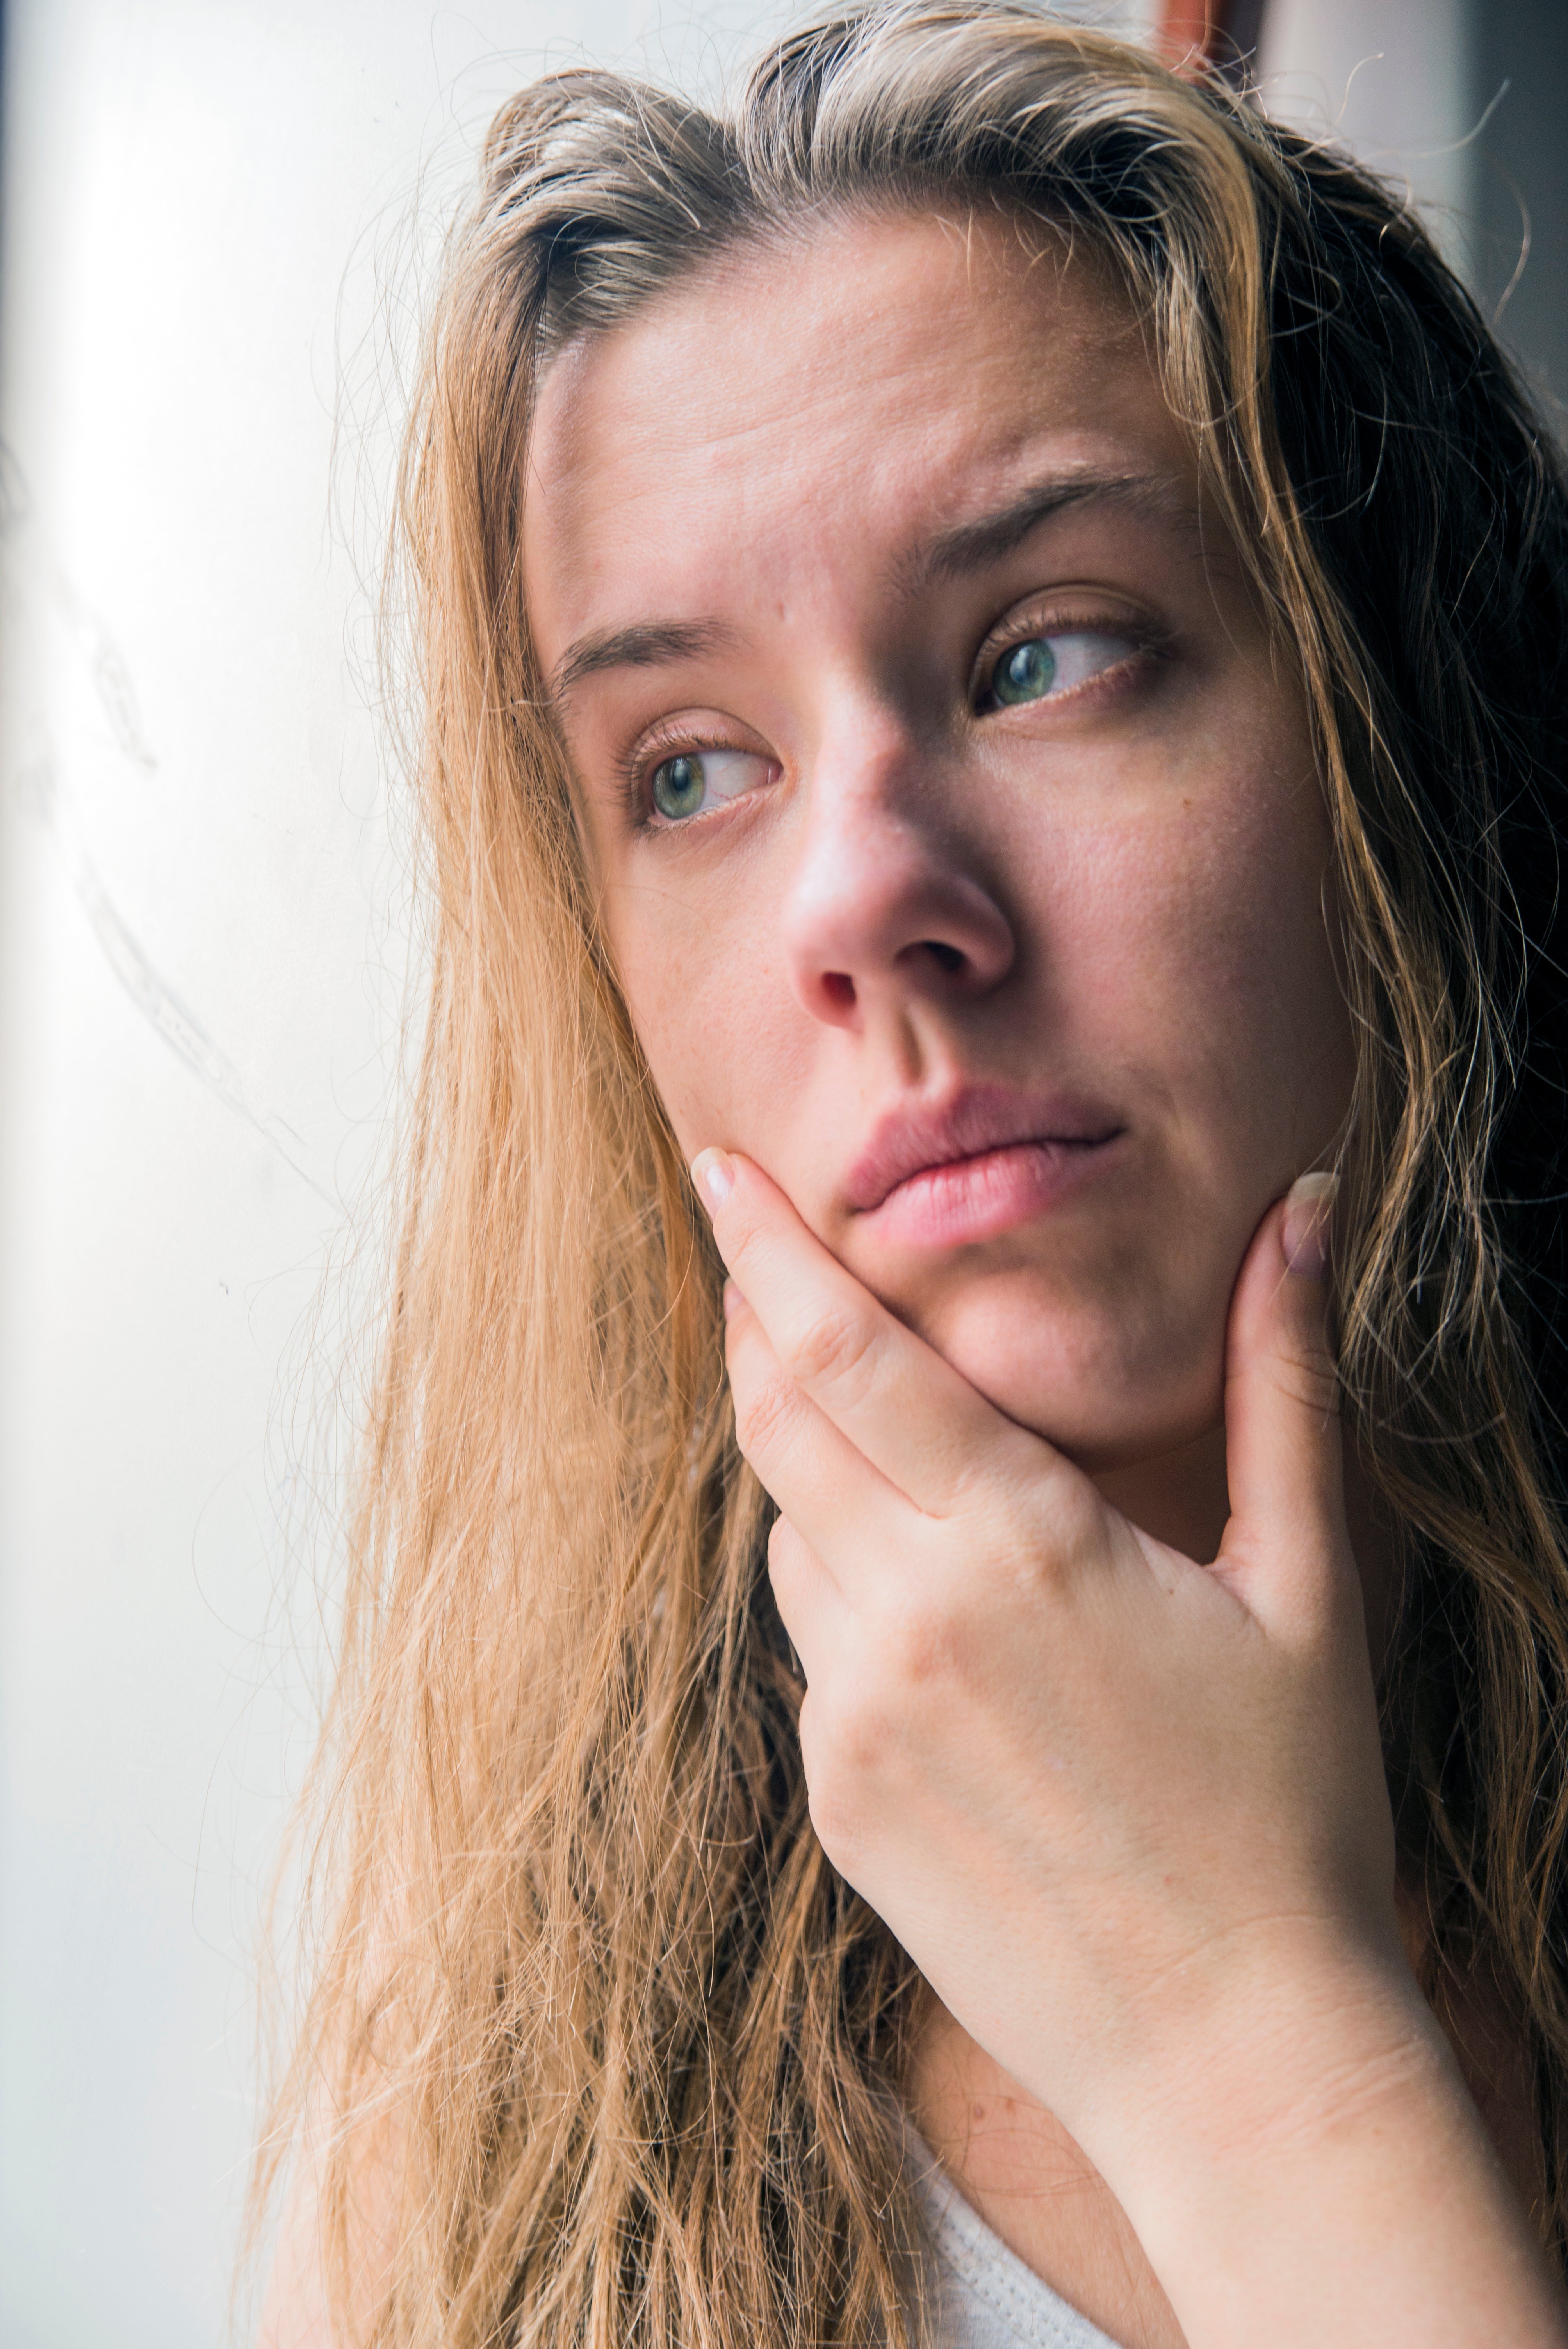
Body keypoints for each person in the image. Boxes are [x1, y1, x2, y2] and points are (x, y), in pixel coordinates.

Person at [253, 5, 1568, 2343]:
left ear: (1411, 742)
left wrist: (1252, 2043)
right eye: (687, 771)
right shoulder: (486, 2175)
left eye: (1049, 654)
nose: (862, 897)